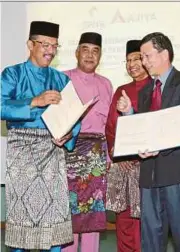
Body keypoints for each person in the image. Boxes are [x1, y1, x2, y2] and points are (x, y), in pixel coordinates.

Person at [117, 32, 180, 252]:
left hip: (179, 173)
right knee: (150, 238)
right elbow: (146, 125)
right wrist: (129, 114)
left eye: (146, 56)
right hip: (150, 173)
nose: (143, 62)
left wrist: (155, 145)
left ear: (164, 53)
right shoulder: (147, 90)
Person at [1, 21, 81, 252]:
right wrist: (35, 101)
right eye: (45, 44)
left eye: (55, 45)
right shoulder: (12, 74)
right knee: (23, 215)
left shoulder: (61, 79)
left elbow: (74, 116)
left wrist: (68, 134)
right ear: (30, 44)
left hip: (52, 151)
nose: (50, 50)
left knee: (53, 215)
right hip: (22, 155)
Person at [61, 32, 113, 252]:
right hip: (67, 152)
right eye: (85, 49)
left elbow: (110, 125)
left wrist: (110, 156)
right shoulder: (62, 78)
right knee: (68, 211)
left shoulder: (106, 84)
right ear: (76, 52)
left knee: (93, 213)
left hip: (96, 155)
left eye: (95, 51)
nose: (90, 55)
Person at [105, 39, 151, 252]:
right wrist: (120, 156)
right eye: (128, 60)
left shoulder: (156, 87)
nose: (132, 64)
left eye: (137, 59)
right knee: (123, 218)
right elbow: (111, 126)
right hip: (123, 166)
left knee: (144, 219)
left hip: (148, 166)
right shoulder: (121, 90)